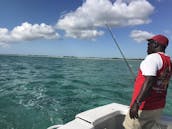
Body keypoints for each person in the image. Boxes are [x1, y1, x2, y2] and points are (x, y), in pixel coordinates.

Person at [123, 34, 172, 129]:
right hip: (159, 106)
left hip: (144, 107)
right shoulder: (169, 61)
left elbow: (149, 82)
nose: (147, 47)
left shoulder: (152, 58)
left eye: (149, 44)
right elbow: (161, 81)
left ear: (156, 44)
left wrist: (137, 103)